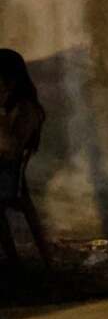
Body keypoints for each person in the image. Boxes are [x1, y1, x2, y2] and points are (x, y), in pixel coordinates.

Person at [0, 48, 50, 268]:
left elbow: (10, 148)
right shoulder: (7, 108)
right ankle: (12, 260)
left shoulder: (27, 110)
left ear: (10, 80)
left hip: (8, 178)